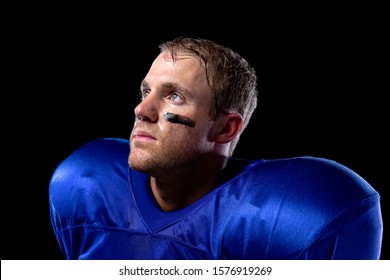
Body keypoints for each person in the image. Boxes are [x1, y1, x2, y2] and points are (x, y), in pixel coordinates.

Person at [49, 36, 383, 260]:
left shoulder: (296, 214)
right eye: (145, 92)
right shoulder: (84, 184)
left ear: (226, 128)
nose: (142, 110)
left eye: (173, 96)